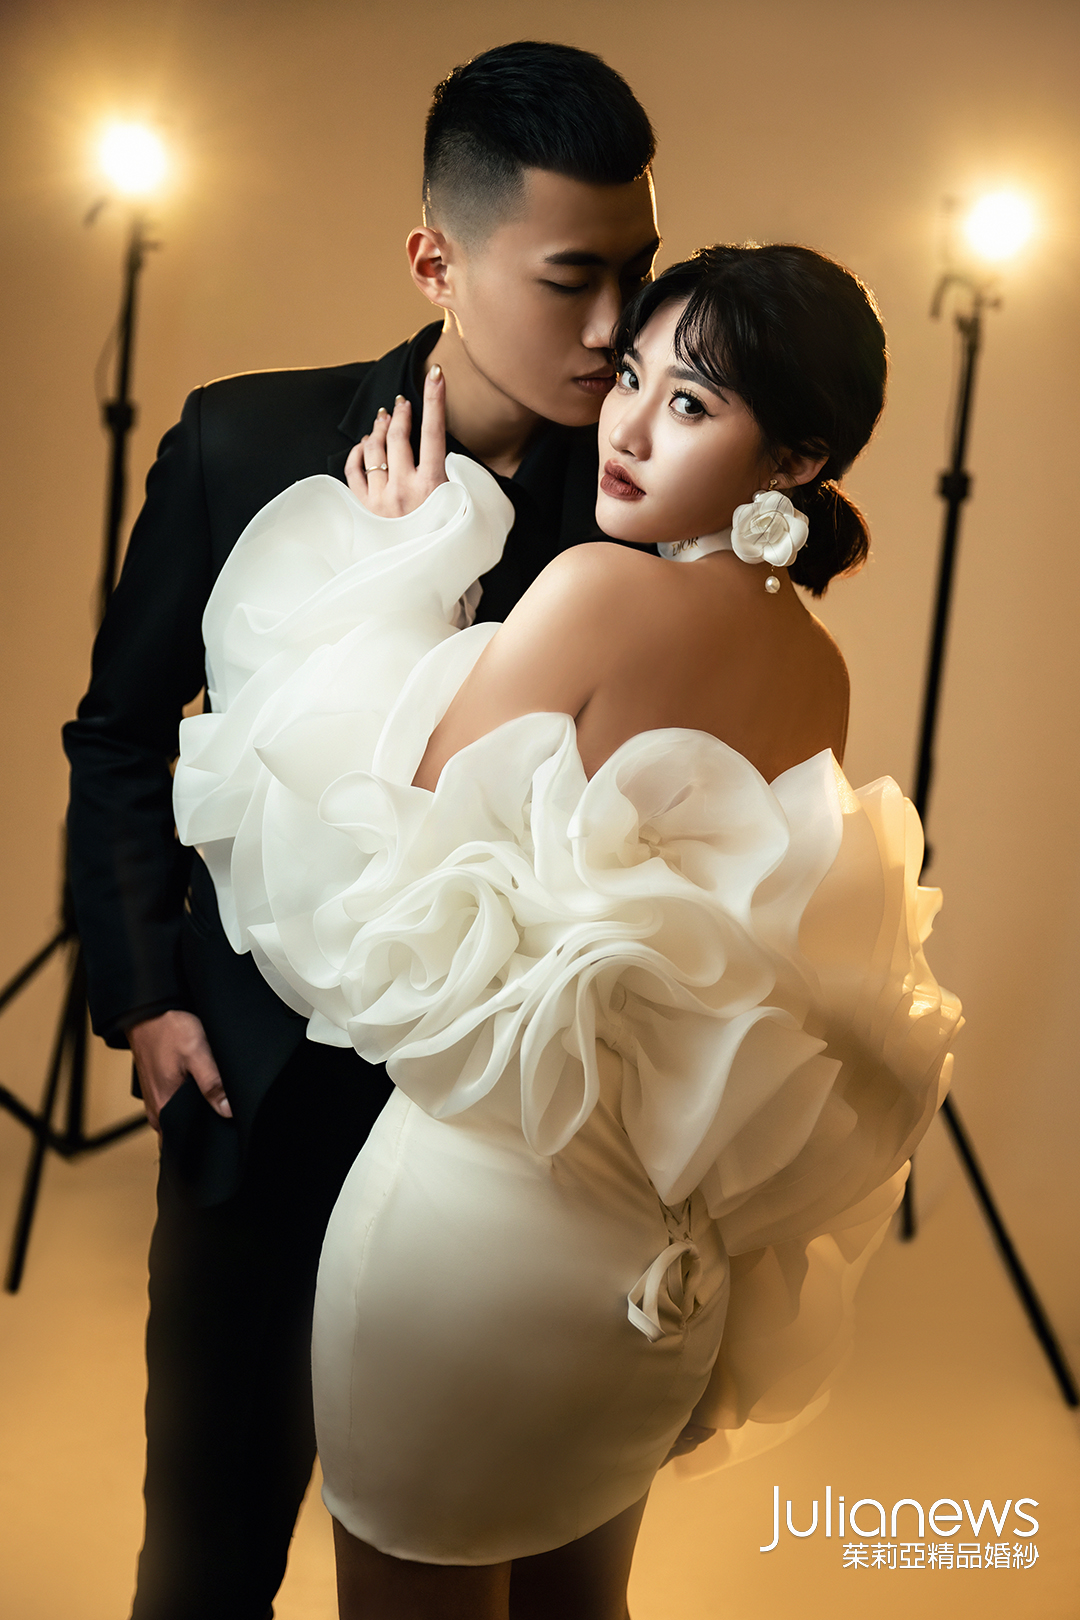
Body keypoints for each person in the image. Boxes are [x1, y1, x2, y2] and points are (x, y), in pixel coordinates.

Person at [173, 244, 961, 1619]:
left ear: (796, 459)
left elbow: (387, 850)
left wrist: (403, 562)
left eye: (691, 403)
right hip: (650, 1264)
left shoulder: (598, 587)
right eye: (633, 378)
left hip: (474, 1234)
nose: (629, 426)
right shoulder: (818, 671)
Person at [62, 41, 659, 1620]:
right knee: (204, 1568)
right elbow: (120, 734)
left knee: (482, 1575)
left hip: (511, 1151)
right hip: (258, 1106)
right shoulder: (244, 443)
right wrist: (145, 996)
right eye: (573, 278)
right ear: (434, 262)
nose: (616, 328)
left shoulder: (647, 519)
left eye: (639, 274)